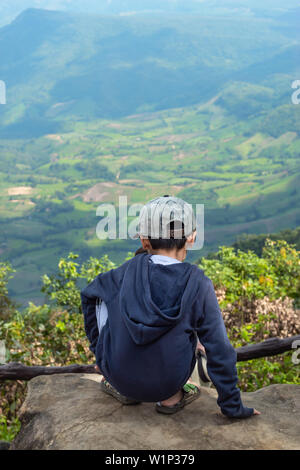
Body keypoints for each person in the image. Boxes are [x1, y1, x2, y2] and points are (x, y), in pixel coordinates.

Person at [81, 195, 260, 417]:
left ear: (144, 241)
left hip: (119, 378)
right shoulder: (198, 284)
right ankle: (172, 399)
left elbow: (88, 297)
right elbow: (220, 349)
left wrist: (100, 352)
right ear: (192, 238)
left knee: (105, 299)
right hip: (167, 383)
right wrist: (233, 407)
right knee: (197, 334)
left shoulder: (122, 274)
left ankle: (120, 383)